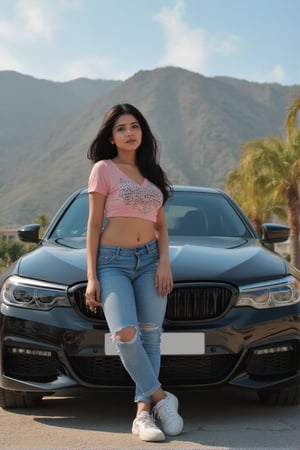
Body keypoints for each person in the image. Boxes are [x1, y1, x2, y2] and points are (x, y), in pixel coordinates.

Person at [85, 103, 184, 442]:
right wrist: (92, 276)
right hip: (112, 262)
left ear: (143, 132)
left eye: (134, 126)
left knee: (152, 335)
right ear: (111, 137)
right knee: (125, 335)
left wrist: (165, 261)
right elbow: (94, 224)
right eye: (121, 128)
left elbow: (160, 225)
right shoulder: (103, 169)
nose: (130, 133)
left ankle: (143, 414)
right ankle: (162, 398)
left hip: (150, 263)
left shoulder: (152, 172)